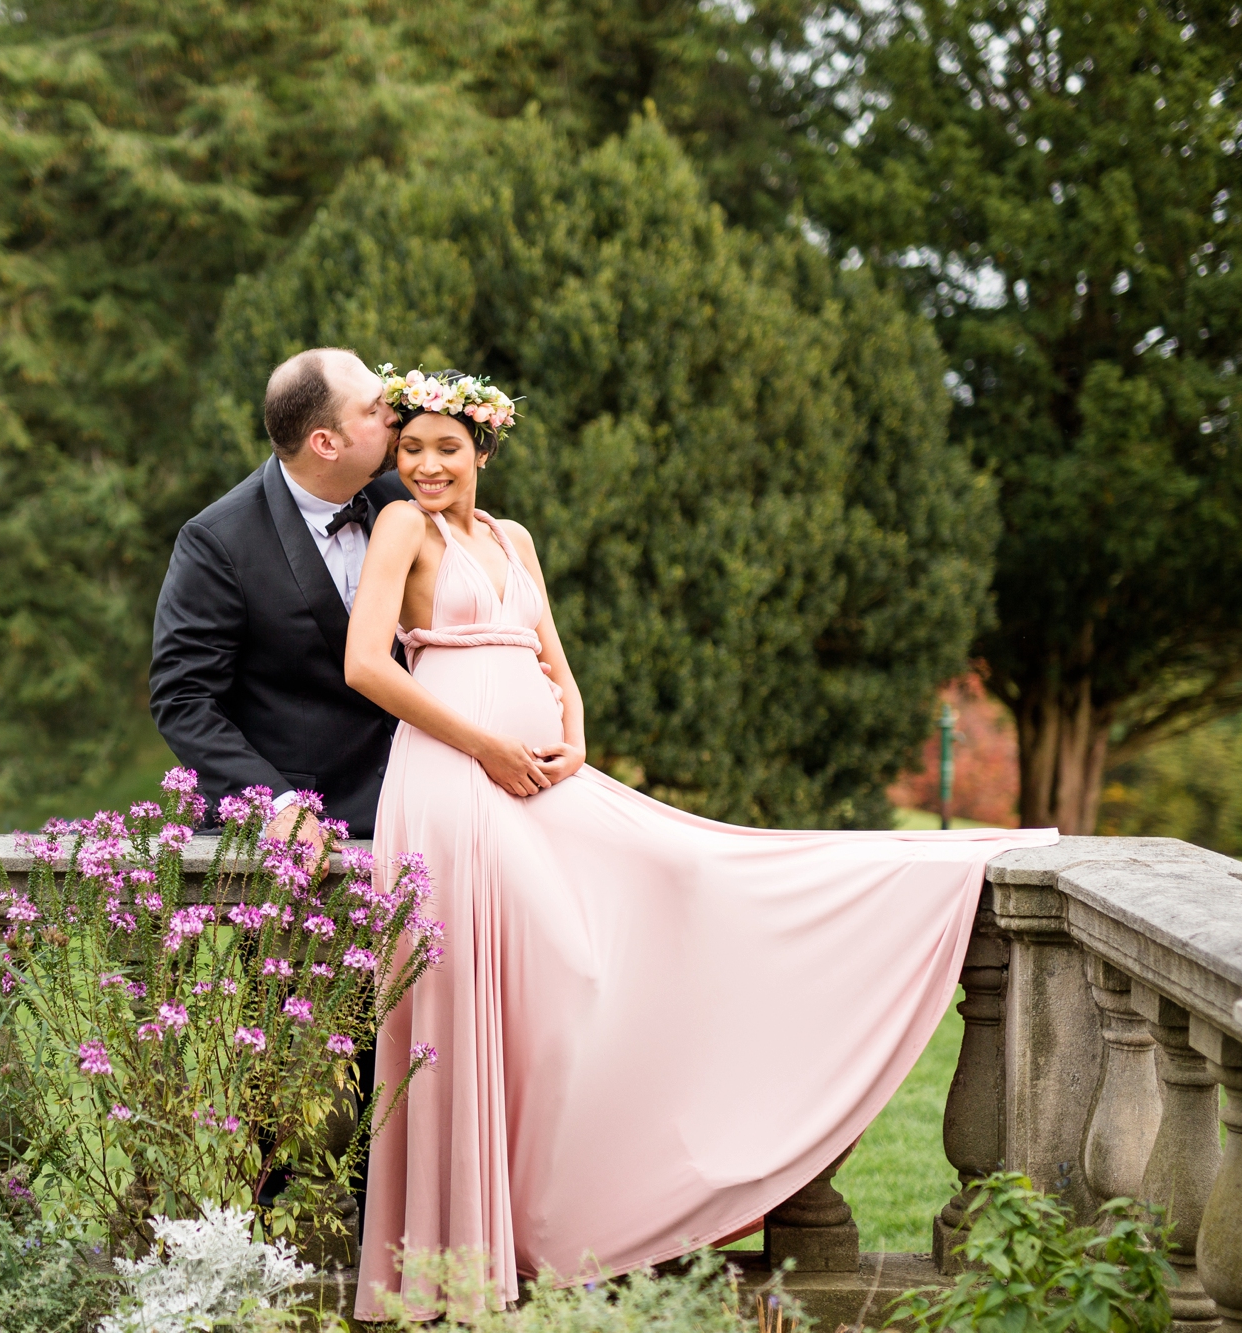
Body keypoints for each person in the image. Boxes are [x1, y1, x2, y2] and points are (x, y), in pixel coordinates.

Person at [342, 366, 1059, 1317]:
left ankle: (566, 1209)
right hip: (452, 787)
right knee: (550, 981)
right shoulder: (402, 528)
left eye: (447, 448)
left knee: (670, 877)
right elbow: (363, 664)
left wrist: (577, 737)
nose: (427, 466)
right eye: (411, 450)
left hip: (543, 780)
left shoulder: (514, 539)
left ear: (484, 450)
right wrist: (483, 748)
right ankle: (458, 1252)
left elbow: (556, 659)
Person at [149, 347, 410, 848]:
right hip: (313, 832)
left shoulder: (406, 500)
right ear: (326, 443)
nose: (393, 416)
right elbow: (184, 697)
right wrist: (275, 803)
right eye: (374, 410)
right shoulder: (218, 541)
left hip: (430, 806)